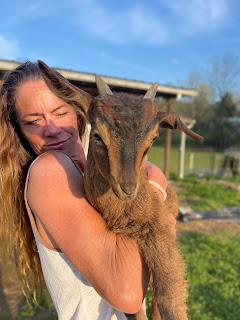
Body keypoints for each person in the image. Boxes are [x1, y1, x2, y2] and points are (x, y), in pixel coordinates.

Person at [0, 61, 175, 320]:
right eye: (34, 121)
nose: (52, 129)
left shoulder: (89, 173)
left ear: (78, 111)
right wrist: (155, 190)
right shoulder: (50, 171)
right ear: (20, 131)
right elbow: (127, 293)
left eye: (60, 113)